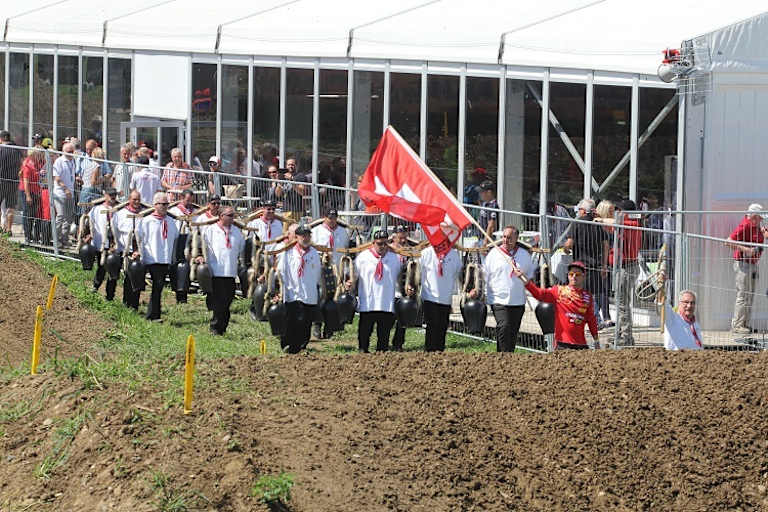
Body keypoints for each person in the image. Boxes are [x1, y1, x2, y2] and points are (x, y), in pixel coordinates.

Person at [513, 260, 599, 350]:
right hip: (562, 343)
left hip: (581, 344)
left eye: (577, 274)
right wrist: (525, 280)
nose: (574, 277)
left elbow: (591, 320)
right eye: (571, 274)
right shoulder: (558, 291)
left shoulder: (588, 297)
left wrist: (596, 340)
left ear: (583, 276)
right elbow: (539, 294)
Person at [480, 225, 535, 352]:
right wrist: (484, 293)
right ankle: (503, 358)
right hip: (499, 299)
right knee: (503, 326)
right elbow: (484, 275)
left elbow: (531, 277)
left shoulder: (524, 255)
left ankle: (507, 359)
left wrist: (524, 276)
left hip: (517, 300)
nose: (505, 240)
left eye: (509, 237)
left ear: (516, 238)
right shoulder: (494, 254)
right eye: (504, 237)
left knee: (512, 332)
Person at [349, 230, 404, 353]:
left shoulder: (395, 259)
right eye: (379, 244)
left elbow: (403, 276)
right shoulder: (363, 258)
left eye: (385, 243)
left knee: (384, 333)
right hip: (368, 302)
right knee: (365, 330)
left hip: (386, 302)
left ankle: (382, 352)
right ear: (373, 243)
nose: (382, 247)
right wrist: (350, 283)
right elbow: (353, 275)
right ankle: (363, 350)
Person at [276, 224, 324, 353]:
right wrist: (282, 289)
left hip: (309, 292)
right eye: (303, 235)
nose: (306, 238)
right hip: (292, 291)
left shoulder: (314, 253)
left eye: (308, 235)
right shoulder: (288, 251)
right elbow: (281, 271)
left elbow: (317, 272)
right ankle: (288, 344)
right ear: (296, 237)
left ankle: (301, 346)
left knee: (306, 321)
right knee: (292, 319)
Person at [197, 206, 245, 335]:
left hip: (230, 272)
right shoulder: (211, 230)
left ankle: (223, 326)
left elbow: (241, 250)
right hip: (216, 271)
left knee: (228, 300)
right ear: (221, 216)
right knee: (219, 301)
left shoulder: (237, 232)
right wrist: (200, 257)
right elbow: (203, 246)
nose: (232, 218)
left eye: (233, 215)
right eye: (229, 215)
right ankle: (215, 328)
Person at [135, 192, 179, 321]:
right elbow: (138, 237)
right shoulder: (147, 221)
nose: (165, 207)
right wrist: (139, 252)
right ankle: (150, 313)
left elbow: (175, 238)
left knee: (158, 286)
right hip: (152, 257)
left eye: (167, 204)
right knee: (154, 285)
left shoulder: (170, 221)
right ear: (155, 205)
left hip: (164, 258)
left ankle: (153, 314)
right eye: (162, 204)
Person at [727, 203, 768, 334]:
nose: (761, 220)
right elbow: (728, 241)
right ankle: (737, 325)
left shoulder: (757, 227)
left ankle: (745, 324)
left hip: (752, 264)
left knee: (750, 295)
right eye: (759, 218)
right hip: (743, 264)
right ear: (753, 216)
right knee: (743, 294)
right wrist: (746, 250)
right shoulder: (744, 225)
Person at [564, 198, 609, 315]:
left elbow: (569, 243)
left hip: (581, 266)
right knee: (599, 293)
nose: (578, 212)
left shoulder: (577, 223)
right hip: (596, 265)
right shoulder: (597, 224)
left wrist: (565, 249)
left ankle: (594, 319)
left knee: (581, 294)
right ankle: (603, 317)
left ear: (583, 211)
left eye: (579, 209)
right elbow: (606, 245)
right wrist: (604, 265)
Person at [311, 207, 349, 339]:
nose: (332, 220)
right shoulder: (316, 231)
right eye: (329, 218)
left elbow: (345, 250)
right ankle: (317, 324)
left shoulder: (343, 232)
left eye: (334, 218)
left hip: (337, 268)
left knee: (334, 298)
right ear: (325, 217)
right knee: (320, 296)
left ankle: (330, 326)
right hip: (321, 268)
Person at [420, 245, 463, 351]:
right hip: (430, 296)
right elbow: (418, 271)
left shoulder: (454, 254)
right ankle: (429, 352)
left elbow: (459, 273)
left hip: (445, 298)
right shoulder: (427, 252)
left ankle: (440, 353)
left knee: (442, 327)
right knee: (432, 326)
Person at [615, 200, 642, 346]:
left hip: (627, 267)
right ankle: (620, 334)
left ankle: (626, 336)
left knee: (623, 304)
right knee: (622, 303)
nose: (618, 213)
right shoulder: (634, 224)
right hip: (629, 266)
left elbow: (616, 222)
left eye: (621, 211)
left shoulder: (630, 224)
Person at [85, 188, 120, 301]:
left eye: (114, 195)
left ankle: (110, 295)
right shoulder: (97, 209)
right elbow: (89, 222)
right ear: (105, 195)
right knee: (101, 267)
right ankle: (95, 286)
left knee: (113, 270)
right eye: (110, 195)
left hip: (114, 245)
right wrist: (88, 234)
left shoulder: (119, 209)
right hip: (101, 243)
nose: (112, 197)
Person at [116, 191, 144, 310]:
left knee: (138, 278)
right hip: (126, 250)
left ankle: (135, 304)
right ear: (129, 199)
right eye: (134, 199)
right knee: (128, 277)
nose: (136, 202)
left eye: (138, 199)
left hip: (140, 251)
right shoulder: (121, 213)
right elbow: (116, 231)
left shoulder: (144, 214)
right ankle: (126, 302)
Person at [52, 142, 77, 248]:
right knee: (60, 216)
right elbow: (57, 178)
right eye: (68, 152)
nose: (71, 154)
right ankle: (56, 239)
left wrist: (77, 179)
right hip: (60, 193)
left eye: (72, 152)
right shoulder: (59, 161)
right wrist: (65, 189)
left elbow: (71, 175)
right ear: (63, 151)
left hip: (70, 193)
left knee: (68, 218)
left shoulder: (73, 161)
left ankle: (64, 239)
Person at [18, 149, 45, 243]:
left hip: (36, 191)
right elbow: (26, 182)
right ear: (33, 155)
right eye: (39, 154)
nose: (40, 156)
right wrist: (28, 196)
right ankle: (28, 236)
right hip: (27, 191)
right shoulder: (27, 165)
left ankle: (34, 236)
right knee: (28, 214)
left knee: (34, 214)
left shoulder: (38, 163)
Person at [0, 130, 24, 235]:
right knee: (11, 207)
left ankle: (1, 228)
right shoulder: (17, 150)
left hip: (1, 181)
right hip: (13, 182)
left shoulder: (1, 149)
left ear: (2, 138)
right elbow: (22, 164)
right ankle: (9, 229)